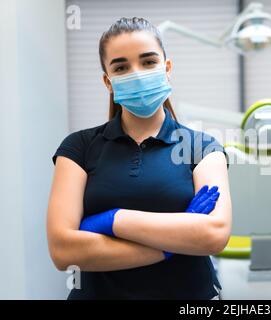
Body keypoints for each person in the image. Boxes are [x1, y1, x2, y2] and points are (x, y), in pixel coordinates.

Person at [46, 17, 232, 300]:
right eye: (121, 67)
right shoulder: (78, 148)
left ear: (167, 69)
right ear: (108, 82)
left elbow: (214, 235)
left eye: (148, 62)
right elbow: (63, 251)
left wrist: (109, 221)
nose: (137, 73)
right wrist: (174, 243)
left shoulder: (202, 147)